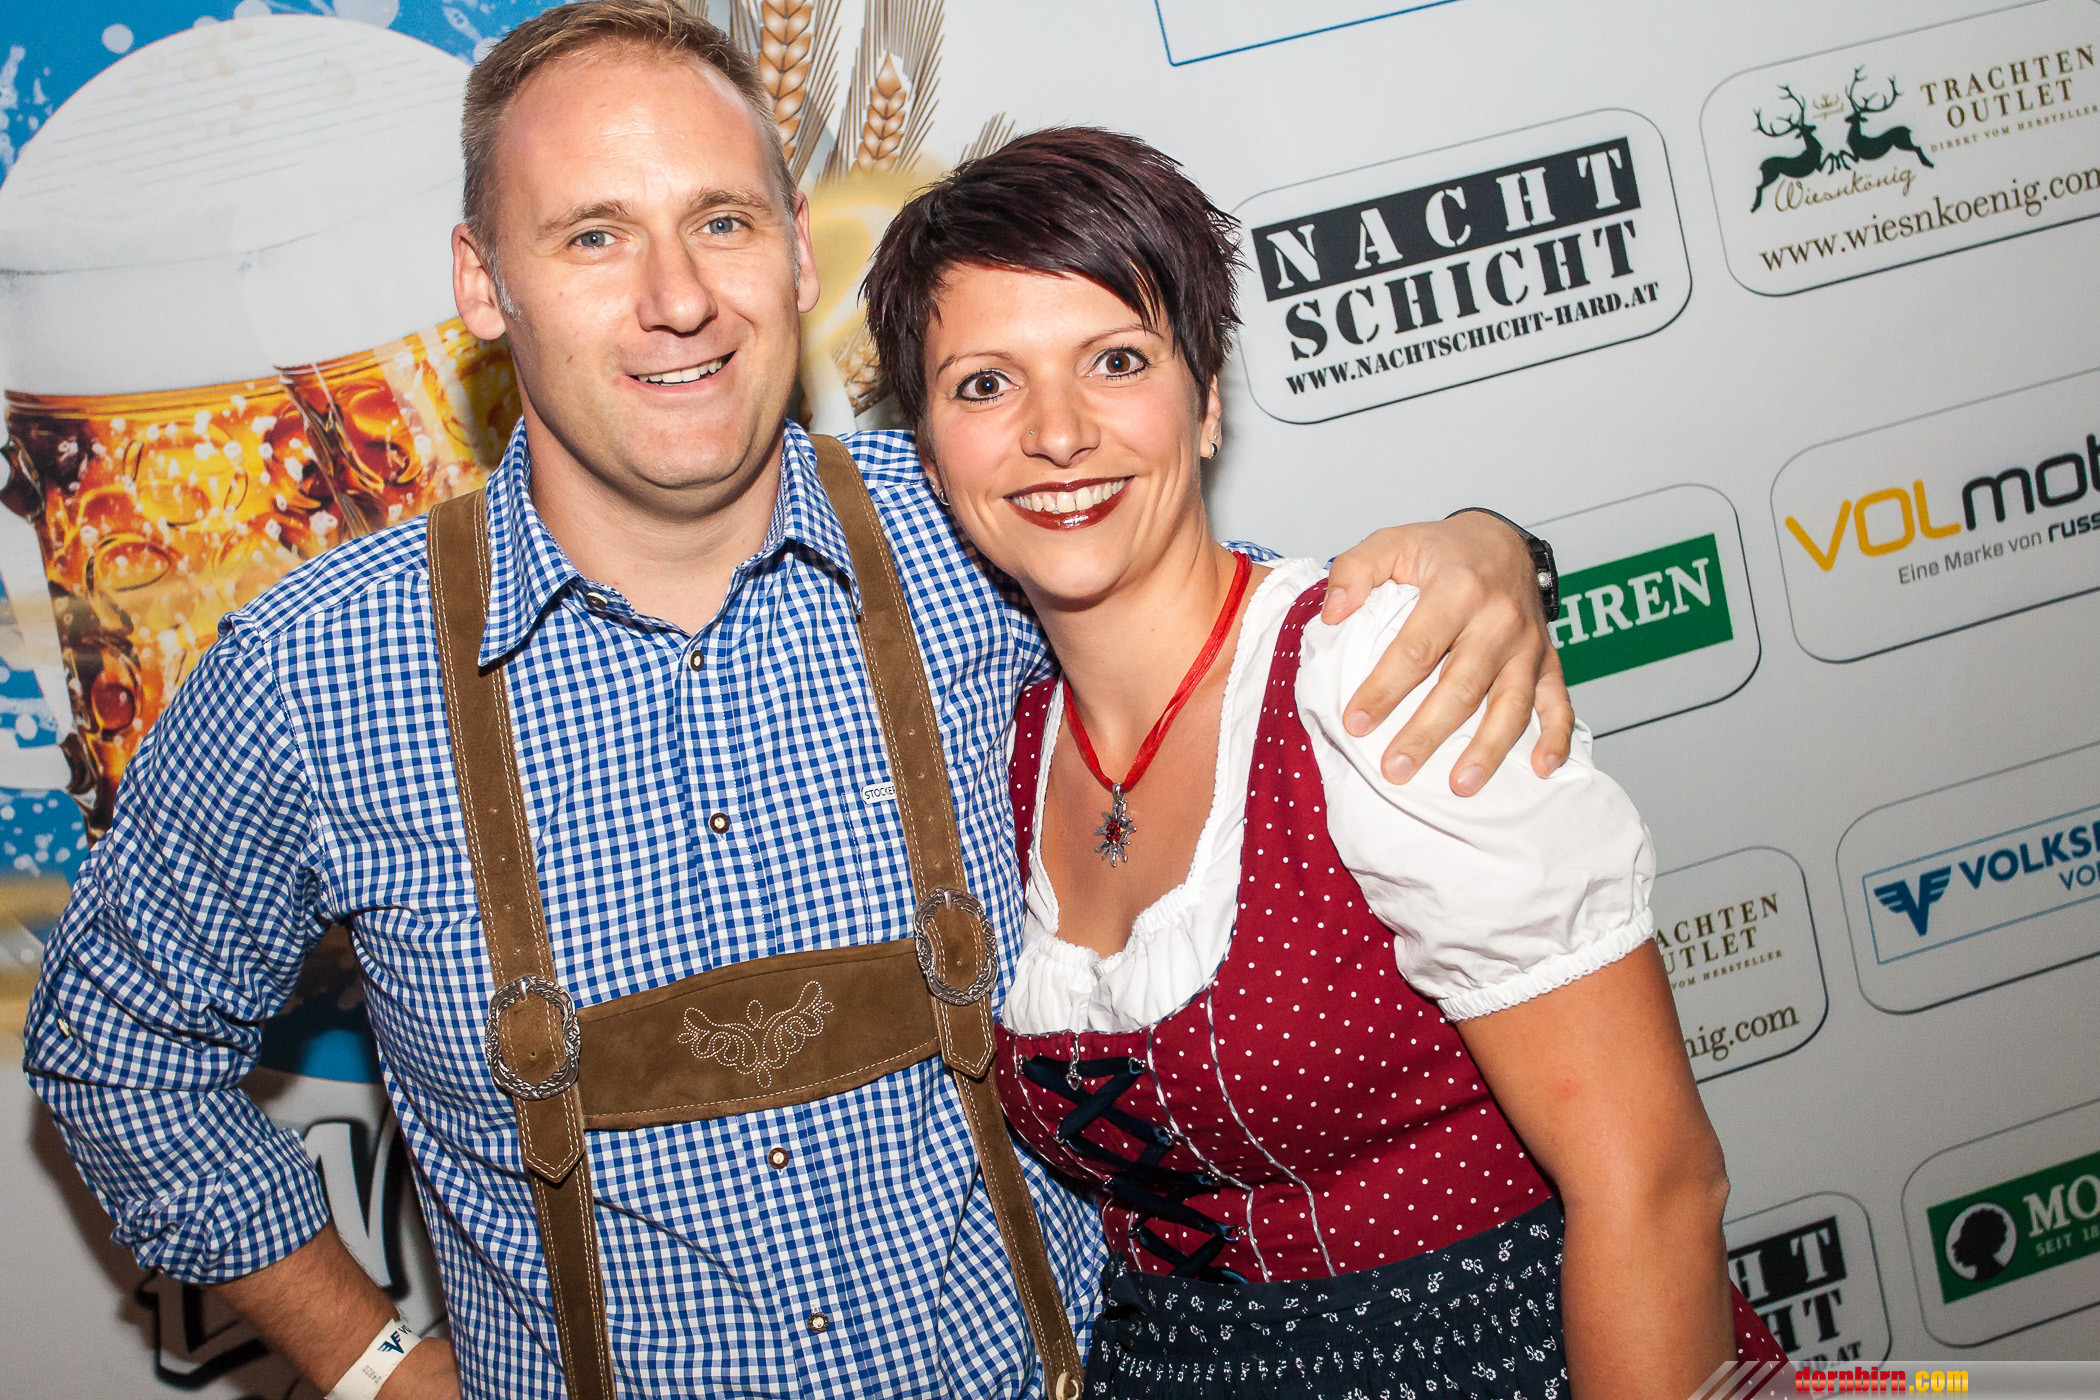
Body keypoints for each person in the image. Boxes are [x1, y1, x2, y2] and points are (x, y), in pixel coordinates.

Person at [21, 5, 1572, 1399]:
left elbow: (1267, 648)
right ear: (481, 285)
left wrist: (1487, 552)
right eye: (593, 237)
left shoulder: (986, 527)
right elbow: (114, 1052)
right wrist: (372, 1367)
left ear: (798, 254)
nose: (678, 299)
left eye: (721, 221)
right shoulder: (312, 676)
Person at [861, 127, 1790, 1399]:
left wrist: (1488, 539)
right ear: (927, 454)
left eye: (1117, 360)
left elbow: (1655, 1183)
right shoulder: (1002, 751)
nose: (1058, 432)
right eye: (984, 385)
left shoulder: (1374, 675)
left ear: (1207, 402)